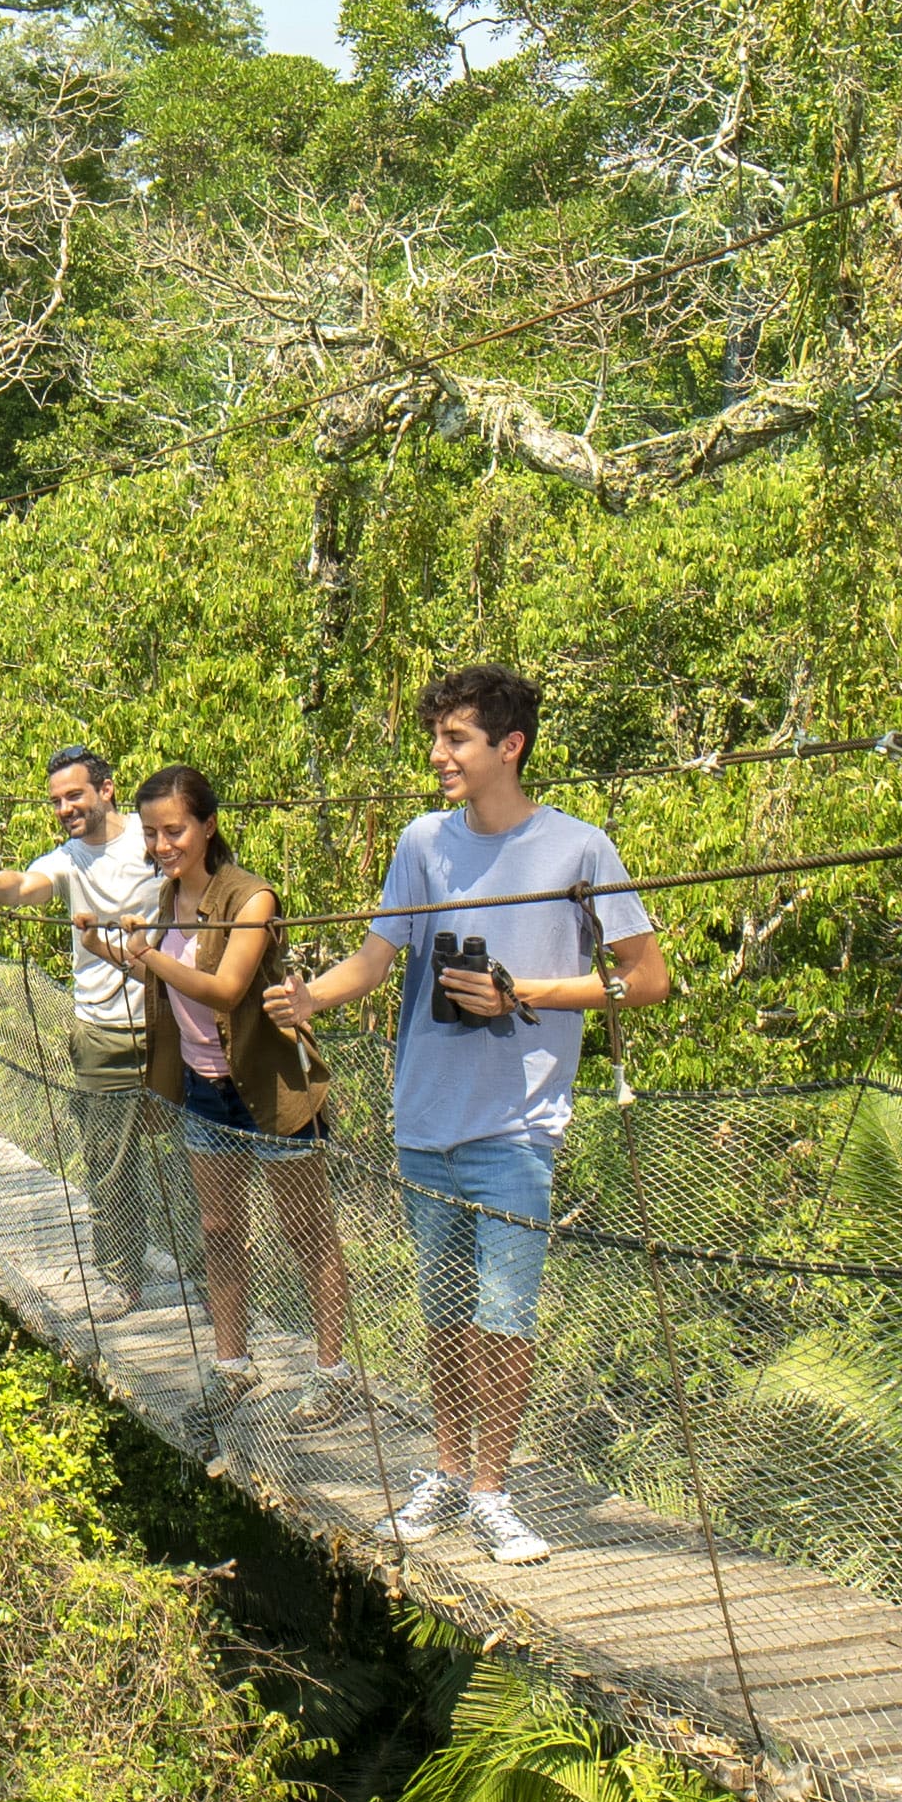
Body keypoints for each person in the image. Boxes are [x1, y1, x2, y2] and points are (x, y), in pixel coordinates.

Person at [279, 662, 672, 1567]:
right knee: (447, 1313)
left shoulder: (580, 850)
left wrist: (520, 994)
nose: (439, 754)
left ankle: (493, 1491)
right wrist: (311, 1001)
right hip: (425, 1120)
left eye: (457, 739)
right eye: (439, 737)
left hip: (517, 1127)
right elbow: (375, 960)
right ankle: (448, 1474)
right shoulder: (422, 842)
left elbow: (644, 981)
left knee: (506, 1316)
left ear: (510, 746)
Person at [114, 762, 355, 1401]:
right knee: (219, 1227)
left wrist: (149, 955)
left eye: (174, 831)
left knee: (306, 1230)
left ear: (208, 825)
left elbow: (225, 990)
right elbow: (163, 981)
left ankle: (333, 1375)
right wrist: (117, 950)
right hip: (201, 1086)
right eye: (151, 834)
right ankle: (232, 1364)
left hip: (268, 1085)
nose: (162, 846)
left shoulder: (252, 898)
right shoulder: (168, 900)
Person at [0, 742, 186, 1316]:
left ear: (106, 789)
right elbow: (25, 884)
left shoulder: (153, 842)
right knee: (108, 1160)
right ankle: (121, 1278)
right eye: (56, 800)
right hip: (101, 1028)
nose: (65, 808)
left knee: (187, 1154)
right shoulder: (69, 857)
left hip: (170, 1022)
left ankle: (199, 1274)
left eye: (74, 794)